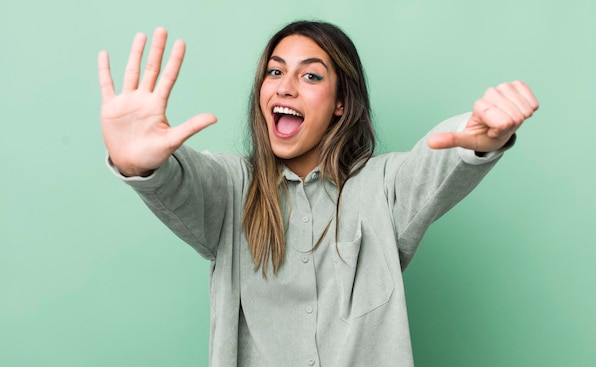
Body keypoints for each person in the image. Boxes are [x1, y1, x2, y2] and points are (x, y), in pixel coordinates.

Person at [98, 21, 538, 367]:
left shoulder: (382, 186)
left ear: (341, 103)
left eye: (310, 75)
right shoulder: (232, 188)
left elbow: (435, 160)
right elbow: (181, 181)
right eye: (275, 71)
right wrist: (138, 163)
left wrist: (482, 134)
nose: (285, 86)